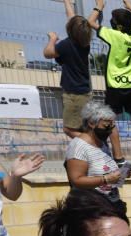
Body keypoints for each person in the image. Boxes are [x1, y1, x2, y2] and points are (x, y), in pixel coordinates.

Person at [89, 0, 131, 175]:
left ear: (118, 26)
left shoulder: (114, 35)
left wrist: (99, 6)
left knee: (111, 120)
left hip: (116, 85)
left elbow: (90, 22)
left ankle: (119, 158)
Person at [43, 0, 95, 139]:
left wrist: (53, 39)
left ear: (70, 30)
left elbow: (47, 53)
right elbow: (72, 18)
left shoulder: (66, 45)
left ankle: (92, 146)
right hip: (85, 93)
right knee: (84, 127)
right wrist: (67, 2)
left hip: (73, 96)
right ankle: (90, 149)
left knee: (69, 129)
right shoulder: (85, 43)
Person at [65, 101, 126, 205]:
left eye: (112, 125)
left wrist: (123, 173)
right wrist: (105, 179)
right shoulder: (78, 147)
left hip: (111, 202)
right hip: (92, 206)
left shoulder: (102, 144)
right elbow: (76, 180)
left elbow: (109, 176)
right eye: (106, 125)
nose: (110, 129)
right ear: (91, 123)